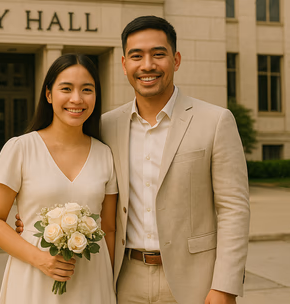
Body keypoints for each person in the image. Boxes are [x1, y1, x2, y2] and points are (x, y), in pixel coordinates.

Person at [16, 16, 250, 304]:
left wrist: (224, 285)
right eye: (137, 56)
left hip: (196, 282)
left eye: (158, 54)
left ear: (176, 60)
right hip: (123, 279)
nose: (147, 65)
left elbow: (234, 210)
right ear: (124, 64)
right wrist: (31, 219)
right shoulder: (105, 126)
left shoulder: (215, 121)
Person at [0, 53, 118, 304]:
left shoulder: (105, 154)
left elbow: (108, 228)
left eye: (87, 89)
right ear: (48, 94)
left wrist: (107, 282)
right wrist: (42, 260)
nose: (77, 99)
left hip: (91, 280)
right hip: (33, 276)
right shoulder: (20, 148)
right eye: (66, 88)